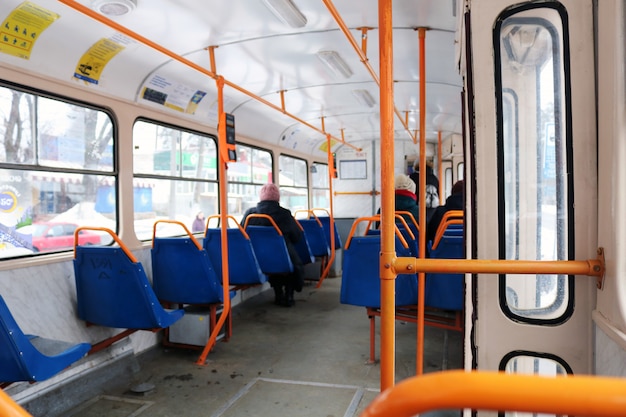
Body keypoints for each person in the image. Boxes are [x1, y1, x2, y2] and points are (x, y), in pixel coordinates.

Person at [241, 183, 304, 307]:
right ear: (277, 198)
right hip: (281, 256)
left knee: (272, 262)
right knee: (291, 262)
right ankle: (289, 296)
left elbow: (242, 235)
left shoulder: (250, 214)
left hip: (257, 257)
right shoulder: (285, 214)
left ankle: (278, 294)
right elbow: (296, 237)